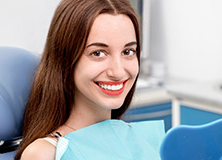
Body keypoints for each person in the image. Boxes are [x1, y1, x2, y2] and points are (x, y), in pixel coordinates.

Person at [15, 0, 165, 159]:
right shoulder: (46, 153)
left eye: (128, 52)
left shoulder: (140, 139)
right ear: (65, 59)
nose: (118, 72)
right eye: (98, 53)